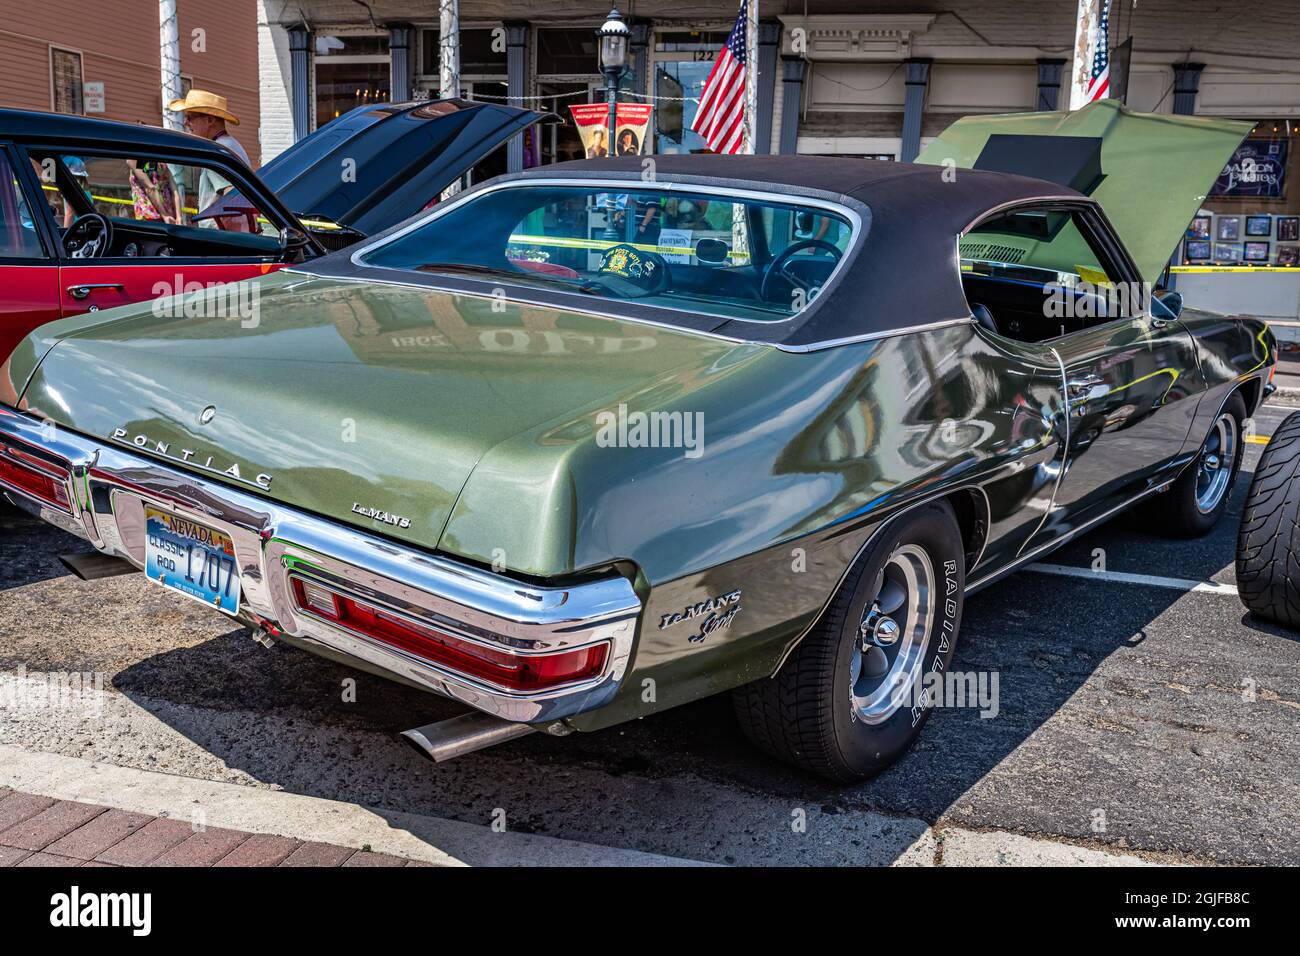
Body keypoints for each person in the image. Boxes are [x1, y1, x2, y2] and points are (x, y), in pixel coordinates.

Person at [167, 90, 251, 223]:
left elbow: (231, 193)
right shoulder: (231, 144)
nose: (185, 122)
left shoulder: (216, 150)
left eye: (190, 117)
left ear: (210, 120)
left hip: (219, 236)